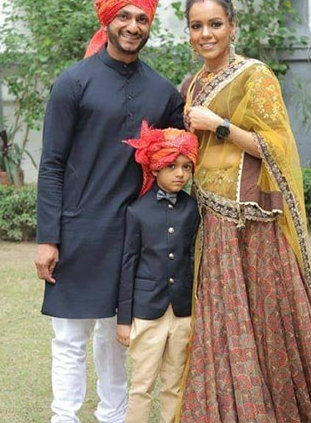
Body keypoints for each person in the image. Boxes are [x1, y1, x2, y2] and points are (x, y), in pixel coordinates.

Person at [178, 0, 311, 422]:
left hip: (252, 222)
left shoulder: (255, 76)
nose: (206, 34)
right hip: (211, 221)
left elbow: (276, 144)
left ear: (232, 27)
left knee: (266, 321)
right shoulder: (191, 84)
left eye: (215, 24)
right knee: (221, 323)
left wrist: (219, 126)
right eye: (197, 26)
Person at [33, 0, 185, 423]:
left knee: (117, 336)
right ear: (108, 19)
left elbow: (175, 161)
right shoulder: (73, 83)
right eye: (125, 17)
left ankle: (114, 416)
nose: (133, 26)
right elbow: (53, 164)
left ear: (149, 25)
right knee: (70, 338)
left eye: (142, 19)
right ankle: (64, 416)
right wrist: (48, 236)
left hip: (132, 236)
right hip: (78, 230)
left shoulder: (162, 93)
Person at [117, 121, 200, 423]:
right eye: (172, 166)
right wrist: (124, 320)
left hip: (182, 312)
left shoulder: (192, 209)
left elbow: (193, 256)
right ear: (155, 168)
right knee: (141, 385)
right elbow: (128, 265)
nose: (180, 174)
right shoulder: (136, 211)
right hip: (146, 313)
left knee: (175, 384)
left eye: (186, 167)